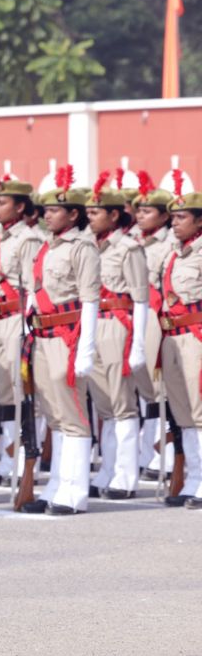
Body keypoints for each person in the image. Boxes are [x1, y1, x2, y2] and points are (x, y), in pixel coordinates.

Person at [19, 179, 101, 515]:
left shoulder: (83, 248)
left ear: (73, 214)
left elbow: (90, 299)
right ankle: (57, 485)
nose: (47, 216)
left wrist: (86, 349)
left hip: (68, 335)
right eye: (46, 210)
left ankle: (75, 491)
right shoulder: (45, 247)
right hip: (42, 337)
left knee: (73, 415)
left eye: (54, 210)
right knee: (54, 414)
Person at [84, 177, 148, 499]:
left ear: (113, 215)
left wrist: (137, 344)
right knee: (103, 405)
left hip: (116, 324)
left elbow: (141, 298)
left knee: (122, 405)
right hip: (92, 323)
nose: (89, 216)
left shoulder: (128, 248)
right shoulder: (86, 246)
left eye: (96, 212)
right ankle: (107, 470)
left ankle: (125, 476)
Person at [0, 172, 45, 482]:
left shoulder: (28, 239)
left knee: (23, 392)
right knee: (5, 394)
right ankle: (10, 455)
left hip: (16, 319)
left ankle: (27, 458)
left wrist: (27, 325)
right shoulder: (0, 237)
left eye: (2, 202)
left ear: (20, 207)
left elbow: (33, 286)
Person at [131, 174, 178, 478]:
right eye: (138, 211)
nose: (140, 215)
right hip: (135, 312)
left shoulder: (170, 244)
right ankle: (148, 448)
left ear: (164, 216)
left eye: (147, 211)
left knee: (162, 386)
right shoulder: (135, 242)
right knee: (143, 384)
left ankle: (168, 451)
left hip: (158, 312)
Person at [157, 190, 202, 507]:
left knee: (200, 410)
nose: (174, 223)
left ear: (199, 221)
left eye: (182, 217)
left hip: (196, 335)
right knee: (183, 411)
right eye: (172, 217)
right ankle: (193, 478)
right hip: (172, 336)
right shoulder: (174, 253)